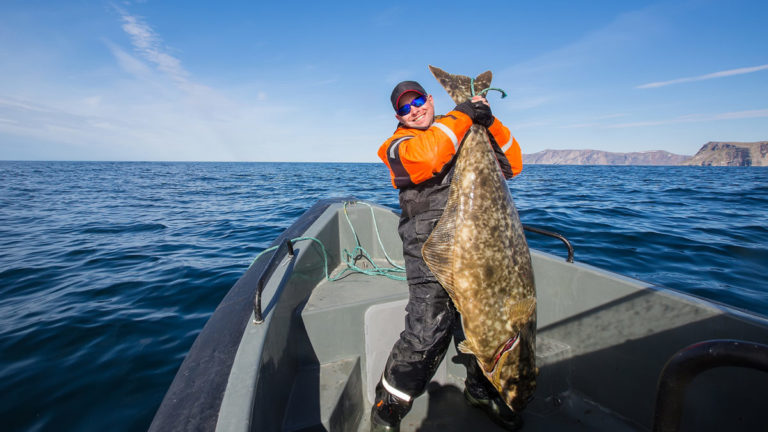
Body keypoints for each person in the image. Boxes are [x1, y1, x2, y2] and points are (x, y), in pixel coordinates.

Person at [372, 80, 524, 431]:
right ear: (399, 116)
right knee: (427, 331)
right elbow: (428, 156)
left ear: (430, 99)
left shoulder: (459, 130)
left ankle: (480, 390)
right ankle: (387, 408)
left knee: (476, 325)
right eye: (405, 108)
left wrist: (488, 122)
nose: (415, 110)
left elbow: (512, 165)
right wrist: (463, 113)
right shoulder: (398, 145)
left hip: (475, 249)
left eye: (419, 101)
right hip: (429, 252)